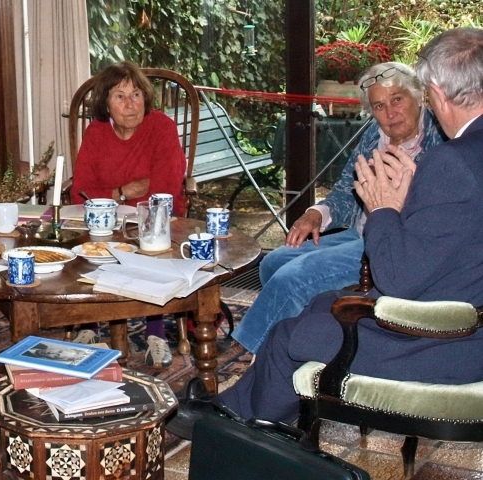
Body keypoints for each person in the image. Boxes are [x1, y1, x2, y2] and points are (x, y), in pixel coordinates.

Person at [169, 27, 483, 438]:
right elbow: (448, 243)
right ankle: (248, 409)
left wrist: (386, 208)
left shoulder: (450, 162)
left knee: (291, 335)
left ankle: (228, 426)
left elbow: (398, 279)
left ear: (435, 94)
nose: (389, 112)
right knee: (320, 301)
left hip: (441, 343)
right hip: (458, 319)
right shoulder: (463, 156)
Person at [232, 61, 445, 355]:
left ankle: (249, 354)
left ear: (418, 96)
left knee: (290, 280)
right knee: (274, 263)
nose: (390, 113)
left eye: (397, 100)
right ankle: (300, 339)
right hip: (359, 235)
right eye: (379, 106)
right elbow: (346, 189)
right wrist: (316, 214)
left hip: (389, 245)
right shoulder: (375, 135)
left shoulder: (440, 140)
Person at [69, 61, 188, 367]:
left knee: (153, 240)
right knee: (88, 240)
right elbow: (80, 192)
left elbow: (164, 192)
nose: (130, 104)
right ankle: (89, 326)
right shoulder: (96, 133)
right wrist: (123, 192)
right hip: (106, 222)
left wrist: (109, 197)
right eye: (119, 96)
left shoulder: (162, 127)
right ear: (105, 103)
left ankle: (156, 331)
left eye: (136, 94)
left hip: (156, 220)